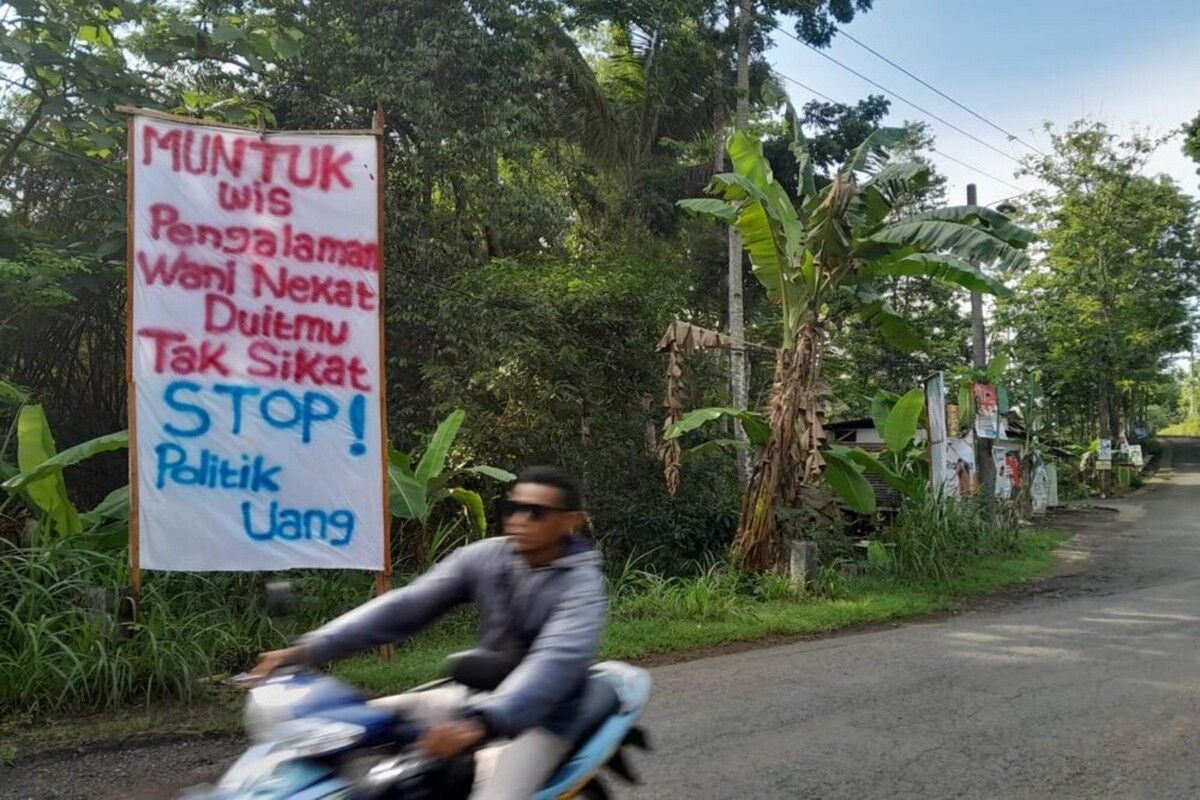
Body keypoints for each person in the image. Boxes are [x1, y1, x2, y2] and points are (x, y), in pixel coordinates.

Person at [249, 466, 607, 800]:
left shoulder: (582, 586)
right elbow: (406, 605)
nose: (519, 520)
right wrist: (308, 648)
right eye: (513, 508)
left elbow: (555, 661)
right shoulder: (487, 558)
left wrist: (479, 723)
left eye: (537, 512)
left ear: (569, 522)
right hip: (475, 698)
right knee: (342, 730)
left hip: (543, 718)